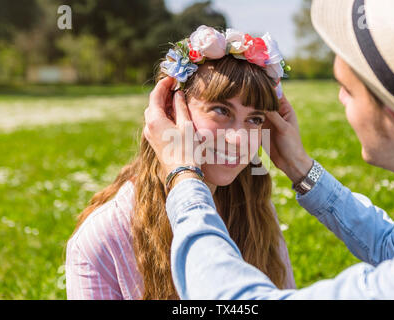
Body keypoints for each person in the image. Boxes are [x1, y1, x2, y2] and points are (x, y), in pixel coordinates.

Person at [144, 0, 394, 299]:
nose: (340, 98)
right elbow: (392, 248)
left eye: (348, 90)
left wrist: (183, 176)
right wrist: (300, 167)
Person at [65, 26, 296, 300]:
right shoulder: (104, 236)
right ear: (171, 111)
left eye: (255, 119)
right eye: (221, 111)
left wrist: (301, 168)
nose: (239, 140)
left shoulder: (255, 205)